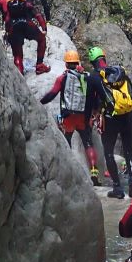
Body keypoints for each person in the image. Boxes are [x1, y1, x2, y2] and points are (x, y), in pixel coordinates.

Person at [39, 50, 101, 184]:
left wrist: (39, 102)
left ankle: (66, 173)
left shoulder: (62, 78)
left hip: (68, 116)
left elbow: (52, 94)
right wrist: (95, 112)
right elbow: (95, 97)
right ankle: (94, 172)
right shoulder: (87, 77)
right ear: (77, 62)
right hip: (83, 117)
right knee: (88, 143)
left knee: (66, 142)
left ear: (66, 64)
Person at [87, 46, 132, 199]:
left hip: (109, 118)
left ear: (92, 62)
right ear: (104, 58)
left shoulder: (94, 77)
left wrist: (90, 116)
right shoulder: (119, 72)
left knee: (109, 152)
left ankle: (117, 188)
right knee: (129, 151)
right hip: (127, 115)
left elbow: (90, 101)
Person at [0, 0, 50, 75]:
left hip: (13, 29)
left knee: (17, 56)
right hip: (27, 25)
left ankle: (20, 73)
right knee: (42, 39)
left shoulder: (2, 1)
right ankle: (39, 65)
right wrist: (44, 29)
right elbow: (38, 15)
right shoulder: (25, 1)